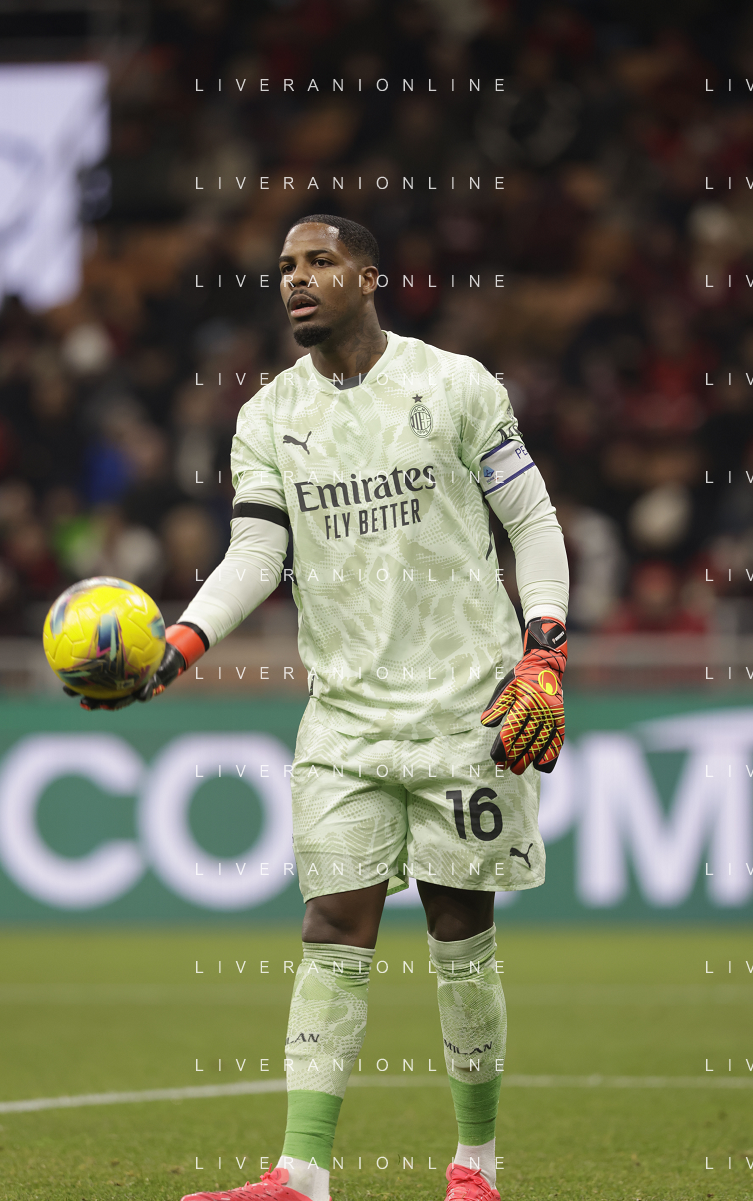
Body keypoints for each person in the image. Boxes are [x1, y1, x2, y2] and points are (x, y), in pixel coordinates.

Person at [73, 215, 569, 1201]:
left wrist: (544, 648)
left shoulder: (456, 384)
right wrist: (178, 646)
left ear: (370, 276)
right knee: (332, 923)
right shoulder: (268, 417)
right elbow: (259, 553)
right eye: (285, 267)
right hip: (343, 717)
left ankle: (475, 1165)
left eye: (319, 262)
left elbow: (533, 518)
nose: (296, 279)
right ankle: (301, 1172)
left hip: (467, 709)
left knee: (459, 931)